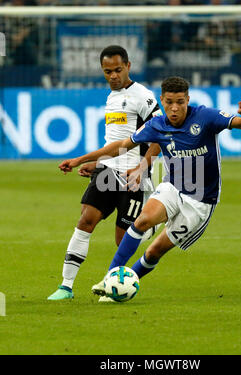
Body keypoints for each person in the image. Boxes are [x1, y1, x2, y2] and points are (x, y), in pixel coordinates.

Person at [57, 76, 241, 302]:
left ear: (188, 100)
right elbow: (121, 146)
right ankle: (110, 279)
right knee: (142, 221)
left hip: (201, 200)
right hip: (173, 187)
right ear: (162, 100)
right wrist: (79, 160)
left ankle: (125, 281)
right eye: (169, 102)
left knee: (153, 252)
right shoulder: (157, 125)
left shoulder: (206, 117)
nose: (174, 108)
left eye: (180, 102)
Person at [47, 45, 162, 300]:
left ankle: (117, 282)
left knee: (123, 241)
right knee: (85, 221)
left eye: (118, 70)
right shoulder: (111, 97)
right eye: (107, 71)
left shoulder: (142, 96)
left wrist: (143, 165)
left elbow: (160, 134)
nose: (113, 76)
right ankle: (65, 286)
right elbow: (116, 142)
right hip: (108, 171)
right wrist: (98, 164)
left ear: (128, 66)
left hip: (133, 178)